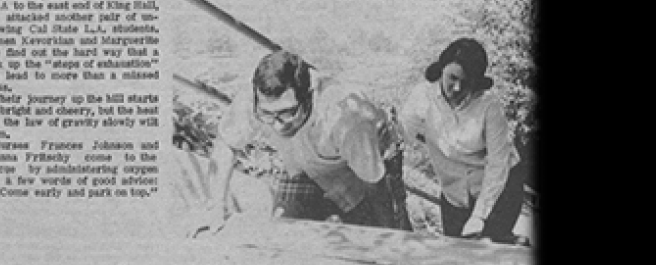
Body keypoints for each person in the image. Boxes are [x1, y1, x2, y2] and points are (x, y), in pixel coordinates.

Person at [199, 51, 410, 234]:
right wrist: (216, 207)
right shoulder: (254, 101)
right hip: (304, 164)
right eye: (267, 115)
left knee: (374, 239)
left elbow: (374, 183)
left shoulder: (345, 116)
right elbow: (226, 144)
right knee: (284, 236)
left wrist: (389, 238)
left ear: (308, 97)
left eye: (287, 113)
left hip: (366, 166)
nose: (278, 126)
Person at [398, 37, 527, 243]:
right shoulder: (422, 97)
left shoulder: (489, 107)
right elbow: (402, 133)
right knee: (456, 253)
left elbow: (497, 166)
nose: (457, 88)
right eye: (452, 78)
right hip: (454, 194)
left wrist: (479, 216)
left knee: (489, 251)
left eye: (466, 82)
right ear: (441, 69)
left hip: (499, 191)